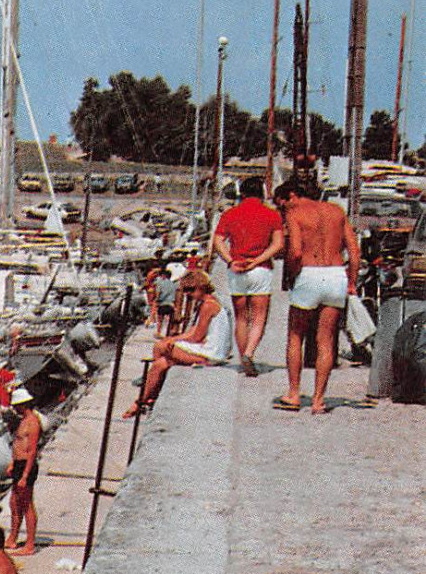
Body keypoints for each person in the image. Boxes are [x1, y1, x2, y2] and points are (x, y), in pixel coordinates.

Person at [276, 177, 359, 415]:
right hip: (335, 274)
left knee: (295, 334)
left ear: (293, 196)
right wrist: (351, 282)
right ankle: (318, 401)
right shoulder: (337, 211)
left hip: (309, 273)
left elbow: (296, 251)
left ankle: (293, 394)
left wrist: (293, 275)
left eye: (283, 205)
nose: (283, 210)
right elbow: (354, 251)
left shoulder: (296, 214)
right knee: (326, 339)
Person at [123, 270, 233, 418]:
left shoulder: (208, 305)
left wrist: (172, 341)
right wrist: (172, 339)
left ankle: (146, 396)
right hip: (211, 350)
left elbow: (196, 337)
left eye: (191, 290)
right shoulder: (208, 302)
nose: (188, 294)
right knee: (159, 364)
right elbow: (194, 331)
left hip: (212, 354)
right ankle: (146, 399)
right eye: (186, 290)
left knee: (160, 347)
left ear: (202, 287)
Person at [212, 175, 284, 377]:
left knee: (241, 317)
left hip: (237, 269)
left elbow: (218, 242)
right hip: (260, 269)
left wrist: (230, 260)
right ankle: (250, 353)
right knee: (259, 317)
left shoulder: (230, 214)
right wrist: (259, 259)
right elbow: (278, 244)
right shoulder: (272, 215)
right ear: (262, 193)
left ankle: (243, 358)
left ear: (241, 194)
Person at [3, 387, 43, 556]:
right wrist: (13, 463)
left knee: (26, 505)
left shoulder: (33, 422)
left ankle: (30, 544)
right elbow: (18, 444)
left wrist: (25, 475)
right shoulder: (23, 420)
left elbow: (32, 450)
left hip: (27, 466)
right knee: (14, 503)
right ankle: (12, 537)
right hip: (18, 464)